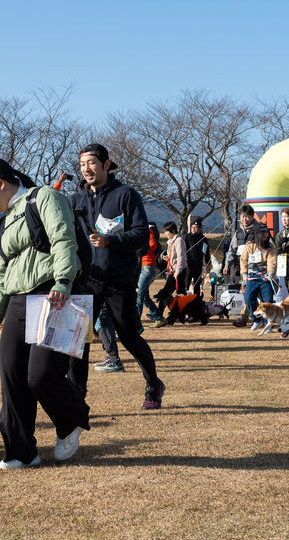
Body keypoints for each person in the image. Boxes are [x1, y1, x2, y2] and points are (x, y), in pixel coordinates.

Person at [0, 157, 91, 469]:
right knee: (12, 376)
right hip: (18, 302)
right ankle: (21, 452)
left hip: (55, 294)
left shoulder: (44, 197)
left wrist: (64, 281)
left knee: (41, 375)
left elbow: (64, 239)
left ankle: (71, 420)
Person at [70, 143, 165, 410]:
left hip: (119, 280)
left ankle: (153, 383)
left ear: (107, 165)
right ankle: (77, 399)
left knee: (130, 337)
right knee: (78, 340)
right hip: (86, 280)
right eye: (82, 165)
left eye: (91, 163)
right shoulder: (75, 200)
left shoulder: (126, 195)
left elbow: (141, 234)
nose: (86, 169)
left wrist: (110, 241)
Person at [225, 204, 267, 327]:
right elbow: (232, 249)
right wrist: (227, 264)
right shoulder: (238, 232)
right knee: (247, 294)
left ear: (253, 216)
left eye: (247, 216)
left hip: (257, 268)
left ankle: (255, 318)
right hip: (242, 267)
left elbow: (267, 247)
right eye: (242, 216)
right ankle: (253, 317)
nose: (244, 219)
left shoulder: (259, 230)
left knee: (258, 295)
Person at [240, 227, 278, 330]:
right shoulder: (249, 246)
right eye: (264, 232)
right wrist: (244, 275)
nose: (266, 234)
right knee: (248, 298)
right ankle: (256, 320)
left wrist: (270, 273)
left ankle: (268, 323)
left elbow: (272, 261)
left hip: (265, 278)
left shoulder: (270, 247)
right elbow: (243, 260)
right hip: (252, 277)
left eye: (267, 232)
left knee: (267, 301)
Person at [153, 221, 188, 323]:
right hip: (174, 270)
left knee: (165, 292)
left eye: (166, 232)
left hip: (178, 271)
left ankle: (158, 314)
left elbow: (181, 257)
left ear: (172, 231)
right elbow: (174, 256)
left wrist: (177, 271)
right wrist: (167, 258)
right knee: (181, 293)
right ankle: (181, 316)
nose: (165, 234)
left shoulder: (179, 241)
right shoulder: (171, 242)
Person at [136, 222, 162, 322]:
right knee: (144, 297)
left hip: (148, 266)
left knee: (139, 294)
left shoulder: (148, 231)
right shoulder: (146, 231)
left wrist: (141, 253)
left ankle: (135, 322)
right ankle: (158, 317)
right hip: (145, 266)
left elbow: (153, 245)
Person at [185, 216, 208, 296]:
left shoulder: (203, 239)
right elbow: (184, 250)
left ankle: (196, 298)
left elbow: (206, 252)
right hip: (189, 264)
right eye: (192, 227)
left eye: (196, 227)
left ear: (200, 229)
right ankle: (184, 296)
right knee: (187, 281)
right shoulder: (187, 237)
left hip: (198, 264)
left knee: (197, 283)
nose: (193, 229)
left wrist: (208, 263)